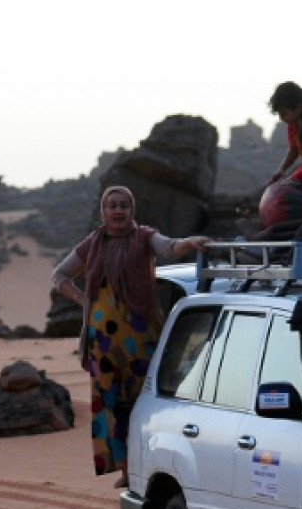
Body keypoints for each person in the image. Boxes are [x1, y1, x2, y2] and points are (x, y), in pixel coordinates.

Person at [52, 185, 210, 487]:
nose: (118, 210)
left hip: (141, 337)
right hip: (103, 344)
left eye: (124, 205)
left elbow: (169, 247)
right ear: (103, 211)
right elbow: (59, 275)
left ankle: (149, 466)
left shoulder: (144, 237)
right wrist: (85, 299)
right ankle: (125, 470)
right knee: (110, 405)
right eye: (112, 205)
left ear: (132, 210)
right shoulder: (93, 243)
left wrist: (188, 242)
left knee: (144, 402)